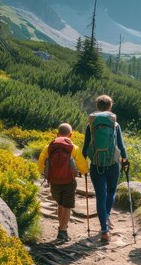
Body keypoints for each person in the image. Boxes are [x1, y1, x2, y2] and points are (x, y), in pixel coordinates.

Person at [83, 95, 128, 242]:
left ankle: (104, 230)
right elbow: (121, 145)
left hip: (96, 164)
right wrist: (125, 159)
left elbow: (85, 147)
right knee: (111, 192)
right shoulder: (115, 124)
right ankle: (107, 218)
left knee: (100, 196)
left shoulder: (91, 124)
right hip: (112, 164)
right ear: (110, 106)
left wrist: (83, 163)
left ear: (97, 106)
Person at [38, 123, 88, 241]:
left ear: (57, 134)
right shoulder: (73, 147)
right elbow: (82, 165)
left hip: (54, 182)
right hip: (69, 182)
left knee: (60, 204)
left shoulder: (48, 147)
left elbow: (41, 164)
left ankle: (61, 227)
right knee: (67, 206)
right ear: (71, 135)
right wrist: (85, 172)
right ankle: (63, 231)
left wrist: (45, 174)